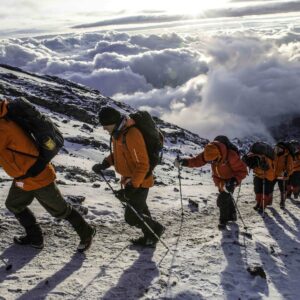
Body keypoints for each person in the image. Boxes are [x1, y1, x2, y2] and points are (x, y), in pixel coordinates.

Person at [0, 99, 95, 252]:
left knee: (61, 210)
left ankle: (87, 233)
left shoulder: (4, 125)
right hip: (22, 178)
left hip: (39, 177)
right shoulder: (5, 117)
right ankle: (35, 237)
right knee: (14, 204)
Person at [92, 106, 165, 247]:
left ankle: (157, 229)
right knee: (141, 211)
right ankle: (150, 237)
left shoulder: (131, 134)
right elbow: (120, 155)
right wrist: (105, 163)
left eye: (105, 125)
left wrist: (132, 186)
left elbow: (143, 164)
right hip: (131, 180)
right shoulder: (118, 134)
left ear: (113, 122)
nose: (104, 129)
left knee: (131, 217)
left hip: (140, 181)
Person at [175, 137, 247, 229]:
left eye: (214, 160)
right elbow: (196, 161)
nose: (212, 163)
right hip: (219, 179)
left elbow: (242, 171)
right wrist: (184, 162)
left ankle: (223, 221)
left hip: (231, 180)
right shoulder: (208, 153)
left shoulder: (231, 155)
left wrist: (234, 181)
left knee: (222, 200)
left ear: (220, 155)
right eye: (210, 161)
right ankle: (232, 216)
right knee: (226, 197)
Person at [242, 144, 276, 213]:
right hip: (258, 175)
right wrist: (246, 160)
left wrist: (264, 165)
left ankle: (262, 206)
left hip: (268, 176)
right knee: (257, 190)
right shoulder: (254, 156)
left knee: (265, 192)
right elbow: (252, 165)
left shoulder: (266, 158)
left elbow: (268, 168)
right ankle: (258, 203)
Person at [273, 142, 294, 209]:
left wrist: (287, 173)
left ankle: (282, 202)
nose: (277, 150)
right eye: (276, 148)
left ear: (283, 149)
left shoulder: (288, 156)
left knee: (283, 190)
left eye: (279, 149)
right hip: (274, 175)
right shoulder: (275, 155)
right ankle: (268, 202)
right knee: (269, 188)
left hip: (283, 176)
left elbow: (290, 167)